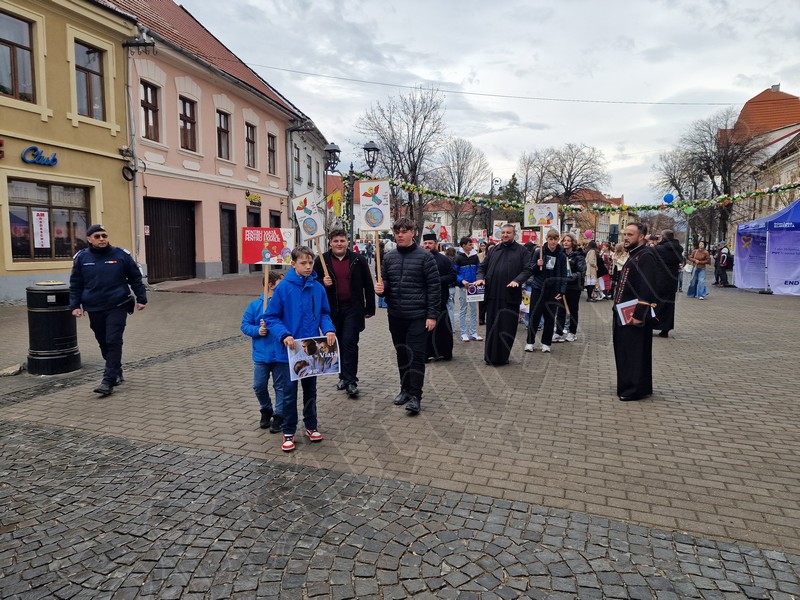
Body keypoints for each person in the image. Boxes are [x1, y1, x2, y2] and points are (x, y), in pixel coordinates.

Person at [263, 246, 336, 452]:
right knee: (289, 393)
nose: (308, 266)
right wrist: (284, 335)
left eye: (310, 262)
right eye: (303, 263)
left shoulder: (318, 288)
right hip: (289, 351)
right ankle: (288, 431)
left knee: (310, 391)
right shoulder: (283, 289)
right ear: (293, 264)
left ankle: (311, 425)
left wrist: (329, 329)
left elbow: (324, 313)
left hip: (311, 350)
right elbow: (271, 317)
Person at [69, 224, 147, 396]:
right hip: (94, 307)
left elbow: (135, 278)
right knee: (103, 340)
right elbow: (76, 284)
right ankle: (116, 369)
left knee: (113, 340)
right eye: (97, 236)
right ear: (89, 239)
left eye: (104, 235)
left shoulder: (121, 255)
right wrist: (74, 305)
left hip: (117, 305)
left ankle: (108, 380)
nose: (102, 239)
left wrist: (141, 298)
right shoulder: (82, 257)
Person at [374, 218, 439, 415]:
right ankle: (404, 389)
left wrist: (432, 315)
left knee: (416, 356)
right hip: (396, 315)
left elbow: (434, 288)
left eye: (404, 231)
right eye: (397, 232)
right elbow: (387, 283)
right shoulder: (388, 258)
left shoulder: (425, 257)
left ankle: (415, 396)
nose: (400, 235)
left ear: (413, 233)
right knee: (401, 353)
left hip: (418, 315)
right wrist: (381, 289)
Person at [313, 229, 375, 398]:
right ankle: (342, 376)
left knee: (349, 342)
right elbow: (311, 281)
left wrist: (369, 308)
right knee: (337, 344)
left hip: (353, 309)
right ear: (330, 243)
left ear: (347, 242)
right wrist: (322, 281)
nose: (339, 244)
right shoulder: (322, 260)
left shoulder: (358, 260)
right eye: (336, 241)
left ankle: (351, 381)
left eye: (342, 241)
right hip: (331, 310)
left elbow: (368, 284)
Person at [612, 223, 661, 401]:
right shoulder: (635, 254)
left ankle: (633, 389)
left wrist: (639, 314)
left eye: (630, 235)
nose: (626, 237)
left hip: (633, 313)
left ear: (641, 237)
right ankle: (636, 385)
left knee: (633, 352)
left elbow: (647, 287)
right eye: (625, 234)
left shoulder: (645, 256)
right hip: (623, 311)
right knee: (626, 351)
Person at [474, 224, 531, 366]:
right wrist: (480, 278)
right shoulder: (494, 250)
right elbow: (482, 267)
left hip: (509, 296)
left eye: (508, 233)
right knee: (492, 327)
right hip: (493, 295)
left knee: (507, 327)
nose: (505, 235)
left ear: (514, 234)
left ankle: (502, 357)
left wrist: (517, 281)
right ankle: (490, 356)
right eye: (503, 232)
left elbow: (528, 269)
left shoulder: (522, 251)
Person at [240, 270, 285, 433]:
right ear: (270, 285)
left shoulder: (284, 305)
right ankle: (266, 409)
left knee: (280, 386)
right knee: (259, 385)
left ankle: (279, 415)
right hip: (261, 354)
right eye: (280, 284)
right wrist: (257, 330)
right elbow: (244, 325)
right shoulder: (255, 305)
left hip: (279, 354)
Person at [522, 229, 568, 353]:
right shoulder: (539, 252)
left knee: (550, 317)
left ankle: (546, 343)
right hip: (538, 288)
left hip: (553, 290)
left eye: (555, 239)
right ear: (547, 239)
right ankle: (530, 342)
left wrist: (562, 291)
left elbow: (564, 275)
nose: (553, 242)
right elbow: (531, 269)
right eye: (550, 239)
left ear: (558, 240)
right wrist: (537, 265)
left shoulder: (561, 256)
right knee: (534, 316)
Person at [422, 234, 456, 362]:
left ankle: (444, 352)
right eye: (425, 243)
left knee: (442, 327)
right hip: (423, 299)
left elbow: (452, 276)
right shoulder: (420, 258)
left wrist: (436, 280)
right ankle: (426, 353)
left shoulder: (444, 260)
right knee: (425, 328)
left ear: (436, 244)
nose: (427, 246)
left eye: (430, 243)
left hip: (440, 298)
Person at [554, 233, 585, 343]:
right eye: (564, 240)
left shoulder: (578, 256)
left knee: (572, 310)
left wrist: (570, 276)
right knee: (560, 309)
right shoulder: (560, 255)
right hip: (562, 286)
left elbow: (581, 272)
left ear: (573, 243)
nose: (566, 242)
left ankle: (572, 332)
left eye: (568, 240)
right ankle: (558, 332)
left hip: (574, 287)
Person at [652, 230, 683, 338]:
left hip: (659, 280)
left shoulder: (659, 249)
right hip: (672, 281)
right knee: (669, 306)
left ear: (663, 237)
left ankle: (653, 324)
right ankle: (665, 329)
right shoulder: (678, 248)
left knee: (655, 304)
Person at [454, 236, 482, 342]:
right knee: (463, 310)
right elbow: (454, 273)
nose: (472, 246)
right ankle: (463, 333)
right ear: (464, 245)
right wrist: (462, 281)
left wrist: (479, 279)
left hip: (474, 287)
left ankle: (474, 333)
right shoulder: (458, 258)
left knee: (474, 310)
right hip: (463, 287)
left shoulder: (475, 257)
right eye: (470, 244)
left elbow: (479, 269)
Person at [444, 246, 457, 328]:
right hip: (452, 286)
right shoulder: (455, 261)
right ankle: (452, 326)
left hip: (446, 286)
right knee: (451, 307)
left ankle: (450, 326)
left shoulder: (444, 260)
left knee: (447, 307)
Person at [477, 241, 489, 325]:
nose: (483, 247)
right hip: (482, 280)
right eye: (482, 246)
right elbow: (480, 268)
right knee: (481, 301)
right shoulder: (478, 256)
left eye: (484, 246)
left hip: (491, 280)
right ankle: (481, 318)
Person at [376, 241, 388, 308]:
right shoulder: (384, 254)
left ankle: (380, 303)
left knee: (379, 287)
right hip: (382, 271)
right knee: (383, 286)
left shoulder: (377, 253)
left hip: (378, 271)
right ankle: (384, 304)